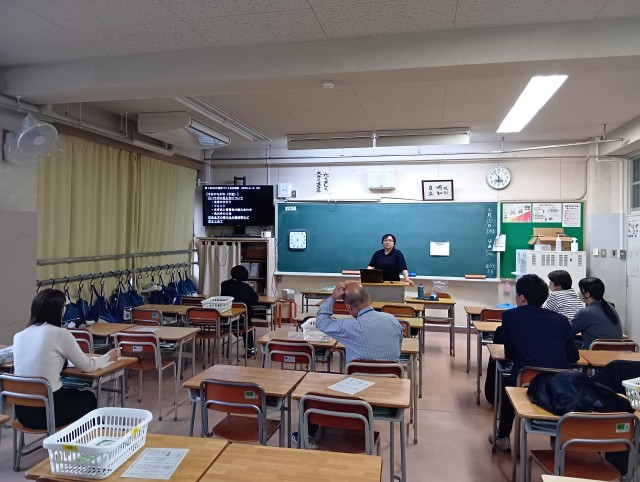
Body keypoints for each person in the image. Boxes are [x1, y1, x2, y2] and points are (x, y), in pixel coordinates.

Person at [490, 274, 579, 452]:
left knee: (509, 386)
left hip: (525, 377)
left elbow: (510, 353)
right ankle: (557, 439)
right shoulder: (561, 320)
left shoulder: (510, 316)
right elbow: (573, 356)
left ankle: (503, 436)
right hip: (559, 382)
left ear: (522, 297)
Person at [12, 289, 120, 429]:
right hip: (50, 411)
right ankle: (89, 439)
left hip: (23, 413)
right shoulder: (60, 333)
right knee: (88, 398)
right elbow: (87, 366)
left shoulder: (18, 336)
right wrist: (108, 357)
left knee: (70, 394)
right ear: (61, 311)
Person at [316, 282, 403, 365]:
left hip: (358, 375)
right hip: (392, 374)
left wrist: (333, 297)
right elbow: (398, 350)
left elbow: (321, 322)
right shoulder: (392, 320)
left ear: (348, 307)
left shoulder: (348, 326)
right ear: (369, 297)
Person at [572, 277, 622, 349]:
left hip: (596, 352)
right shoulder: (610, 307)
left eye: (581, 290)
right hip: (616, 352)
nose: (579, 293)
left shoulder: (585, 312)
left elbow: (568, 330)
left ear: (587, 294)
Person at [220, 264, 259, 356]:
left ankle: (236, 334)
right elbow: (255, 299)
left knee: (244, 315)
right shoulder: (246, 287)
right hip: (242, 322)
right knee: (246, 317)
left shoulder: (224, 284)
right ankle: (249, 349)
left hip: (226, 320)